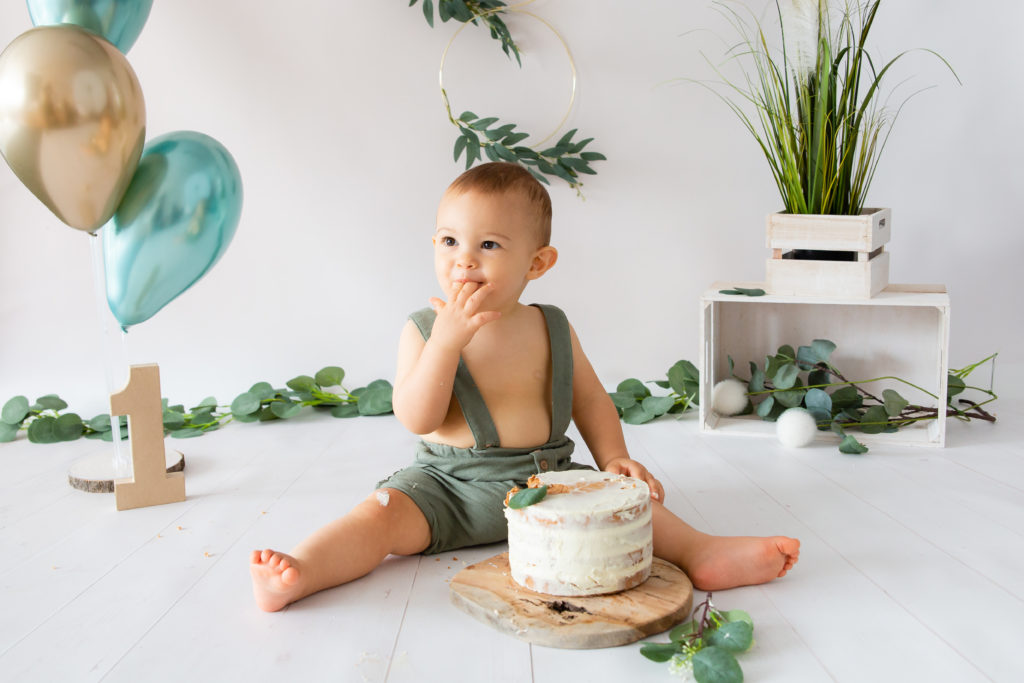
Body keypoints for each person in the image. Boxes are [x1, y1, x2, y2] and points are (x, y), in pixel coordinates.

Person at [250, 162, 800, 612]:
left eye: (488, 244)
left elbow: (588, 399)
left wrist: (614, 458)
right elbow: (417, 417)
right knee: (379, 515)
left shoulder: (551, 325)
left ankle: (702, 552)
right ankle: (300, 571)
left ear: (537, 262)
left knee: (633, 510)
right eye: (449, 240)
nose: (463, 257)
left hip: (549, 479)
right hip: (448, 488)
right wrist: (447, 343)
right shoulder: (424, 327)